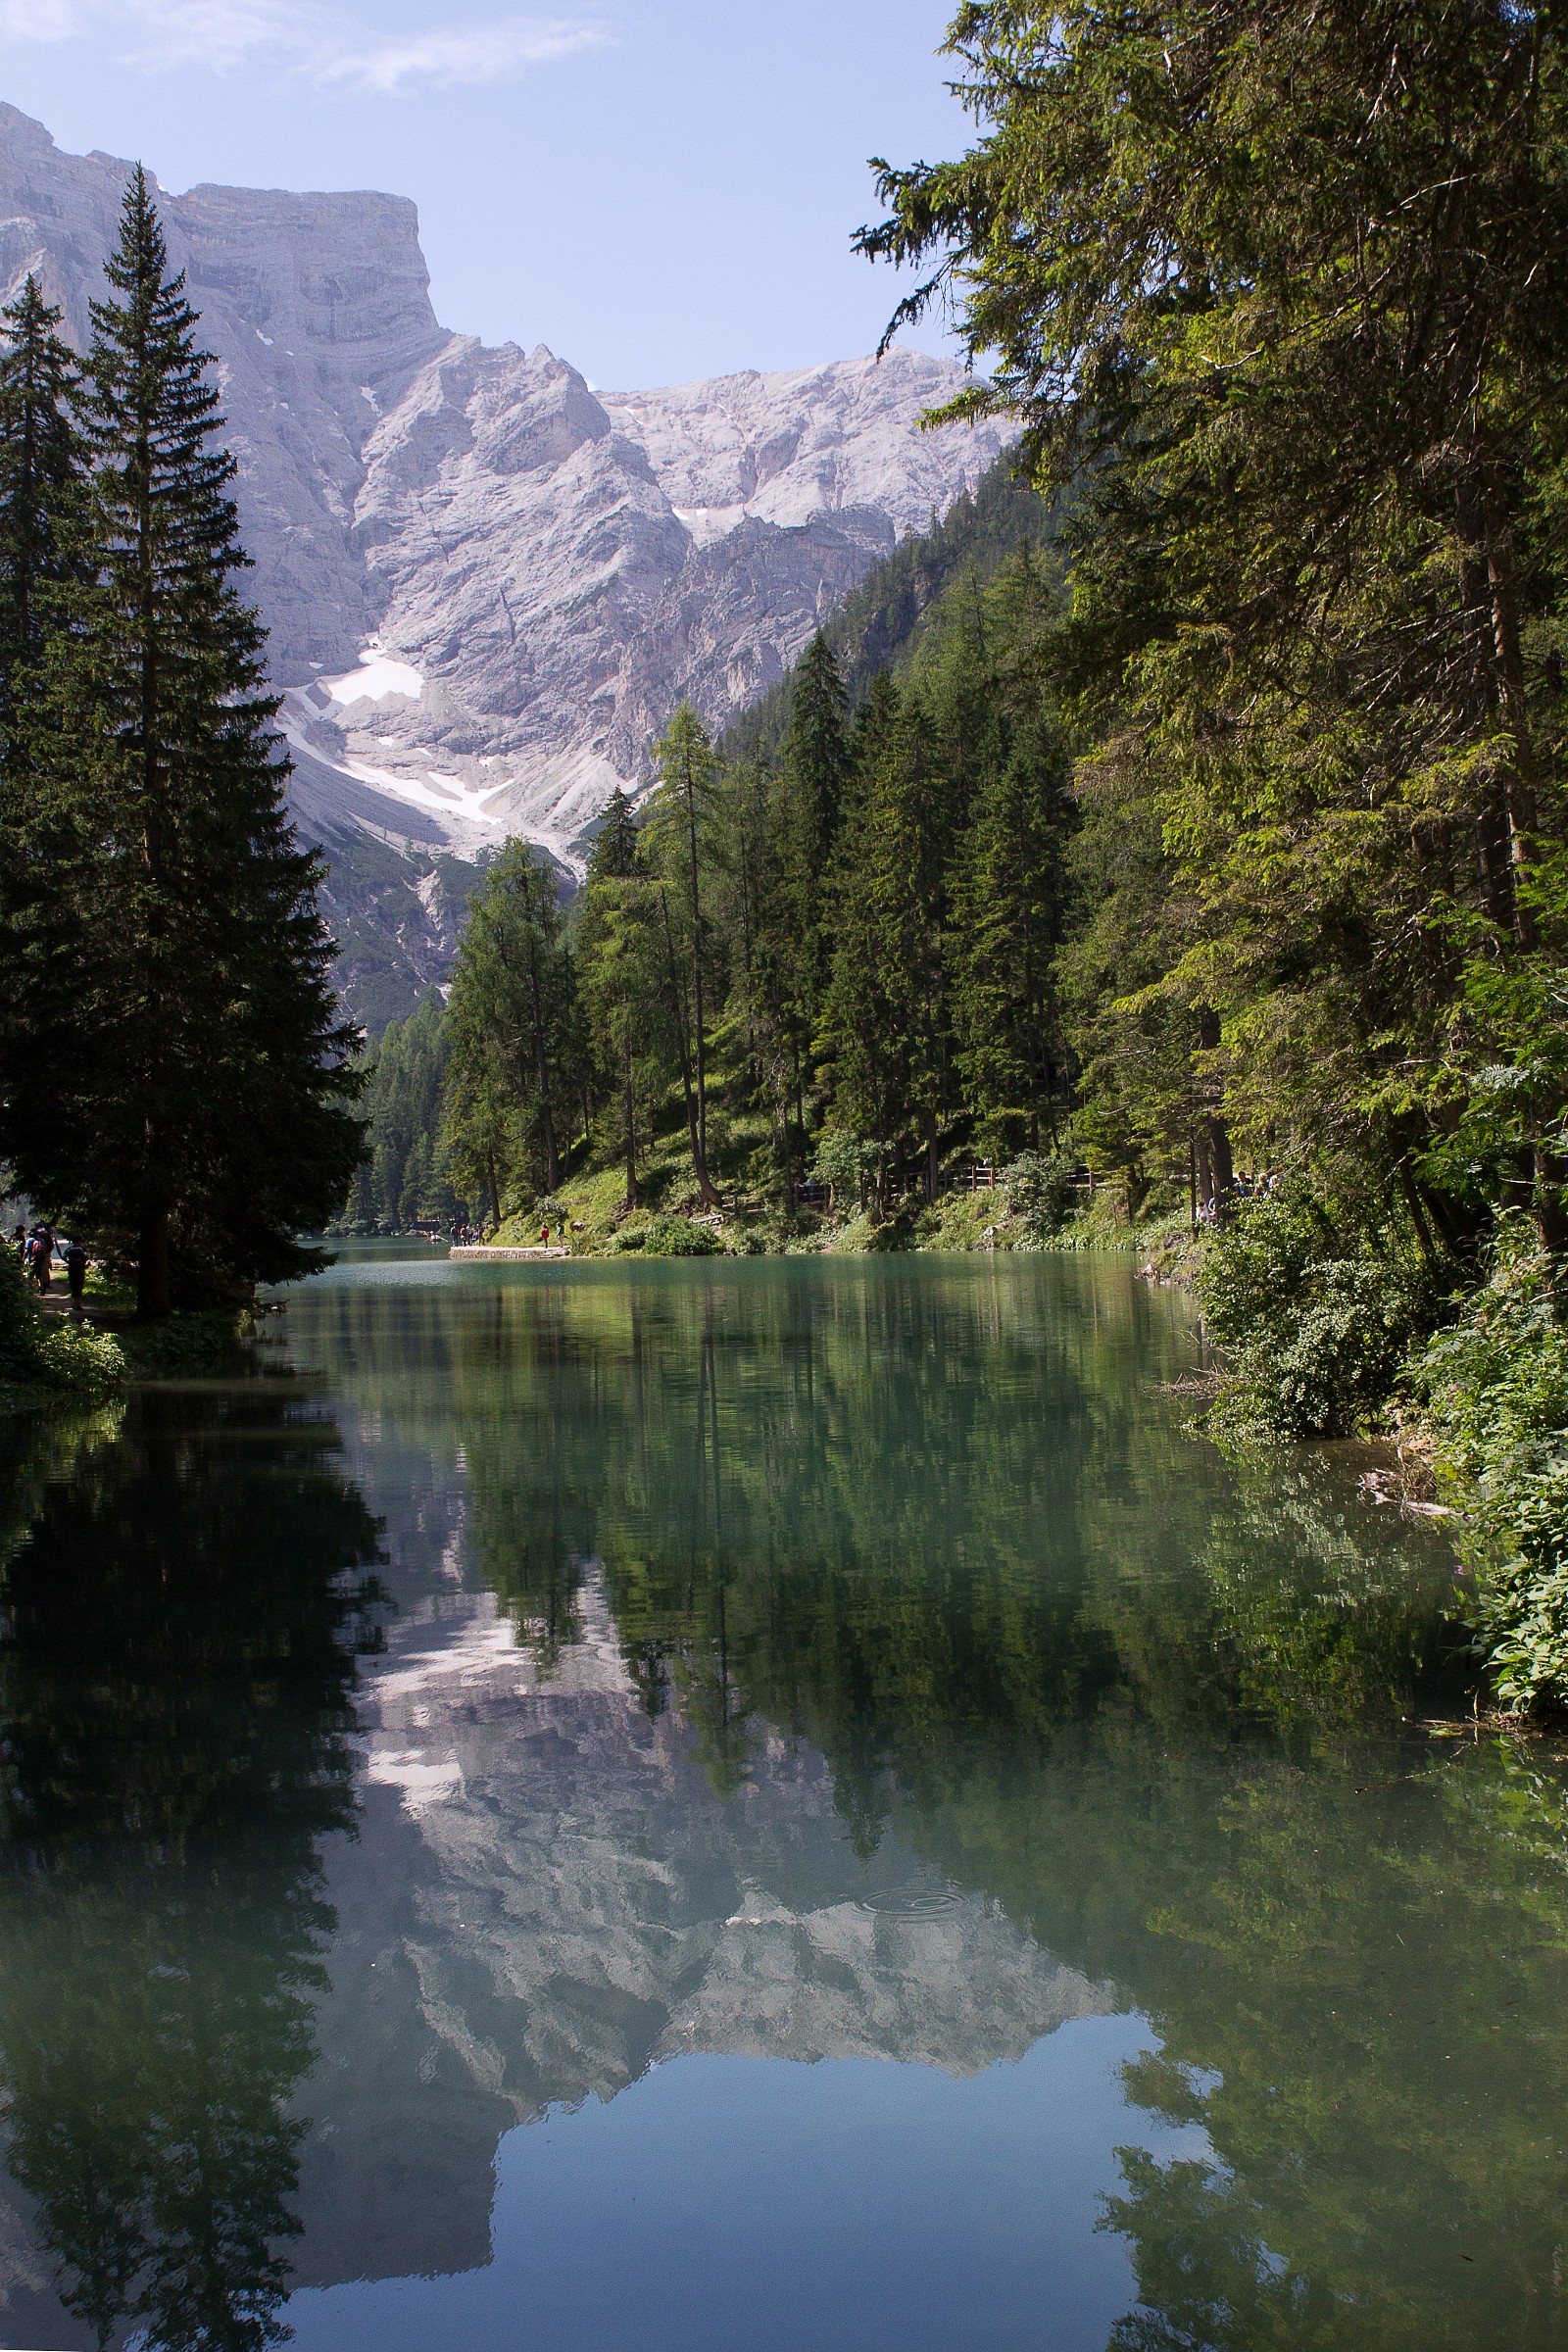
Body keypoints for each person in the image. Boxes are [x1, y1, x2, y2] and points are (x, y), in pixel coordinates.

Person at [61, 1237, 87, 1314]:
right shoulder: (82, 1249)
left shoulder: (69, 1249)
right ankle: (78, 1303)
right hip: (80, 1269)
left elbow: (63, 1257)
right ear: (80, 1241)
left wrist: (69, 1262)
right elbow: (86, 1257)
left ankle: (74, 1303)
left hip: (72, 1269)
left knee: (73, 1285)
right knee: (79, 1285)